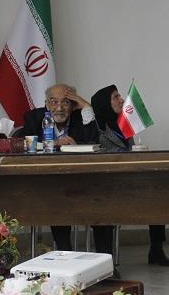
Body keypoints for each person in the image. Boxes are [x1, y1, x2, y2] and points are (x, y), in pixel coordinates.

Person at [21, 83, 111, 253]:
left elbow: (94, 141)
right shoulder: (34, 118)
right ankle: (65, 253)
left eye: (65, 102)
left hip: (84, 182)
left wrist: (85, 106)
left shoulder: (79, 118)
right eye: (54, 102)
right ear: (46, 104)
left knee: (101, 204)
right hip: (48, 184)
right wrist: (52, 143)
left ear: (73, 105)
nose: (59, 108)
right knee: (57, 202)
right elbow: (24, 144)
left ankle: (106, 258)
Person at [90, 84, 169, 266]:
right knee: (102, 208)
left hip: (130, 182)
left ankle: (156, 250)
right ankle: (106, 263)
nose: (122, 100)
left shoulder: (123, 124)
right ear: (104, 103)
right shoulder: (94, 127)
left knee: (159, 196)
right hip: (106, 186)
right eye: (116, 97)